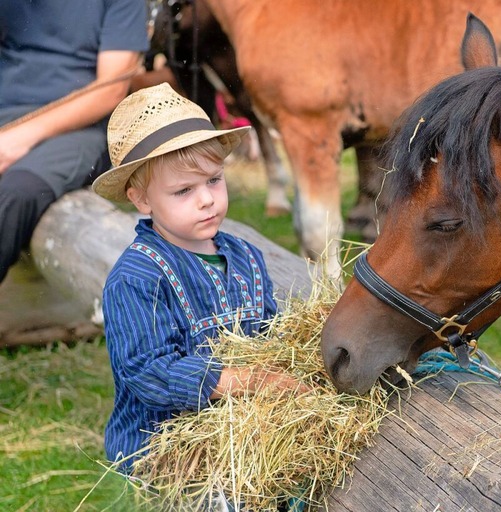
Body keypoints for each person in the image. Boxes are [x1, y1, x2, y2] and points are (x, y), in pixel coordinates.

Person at [92, 83, 306, 473]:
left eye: (213, 180)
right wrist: (246, 381)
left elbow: (272, 337)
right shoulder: (137, 277)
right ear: (142, 199)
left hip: (243, 428)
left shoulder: (245, 258)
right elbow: (147, 371)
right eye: (183, 190)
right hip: (167, 444)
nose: (206, 199)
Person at [0, 0, 150, 284]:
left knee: (16, 191)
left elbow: (112, 89)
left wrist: (20, 137)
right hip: (7, 112)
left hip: (80, 126)